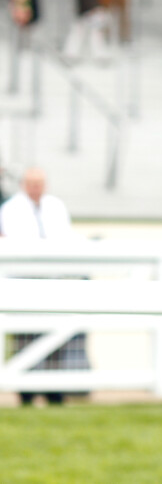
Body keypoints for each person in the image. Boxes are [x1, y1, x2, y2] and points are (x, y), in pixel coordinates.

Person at [0, 167, 85, 405]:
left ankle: (54, 390)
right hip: (24, 282)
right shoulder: (10, 209)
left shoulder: (55, 206)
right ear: (24, 184)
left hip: (54, 280)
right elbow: (18, 242)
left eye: (40, 183)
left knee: (55, 335)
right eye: (32, 183)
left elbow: (65, 237)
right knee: (25, 336)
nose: (36, 187)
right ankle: (26, 391)